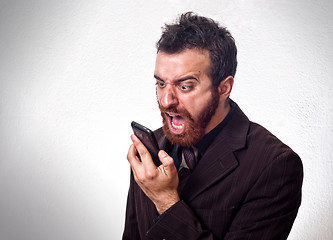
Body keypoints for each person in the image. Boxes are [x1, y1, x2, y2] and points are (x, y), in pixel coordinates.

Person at [123, 12, 303, 240]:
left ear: (224, 88)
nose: (166, 100)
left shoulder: (275, 166)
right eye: (160, 83)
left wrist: (166, 202)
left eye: (185, 86)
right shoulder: (149, 149)